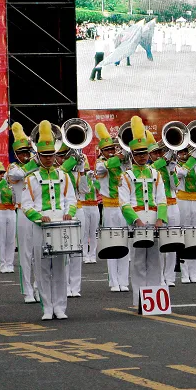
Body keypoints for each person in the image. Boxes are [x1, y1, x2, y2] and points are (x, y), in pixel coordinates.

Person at [21, 121, 77, 321]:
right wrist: (38, 217)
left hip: (60, 224)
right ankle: (47, 307)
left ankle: (60, 307)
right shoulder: (31, 178)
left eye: (51, 155)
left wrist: (69, 213)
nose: (48, 159)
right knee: (43, 268)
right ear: (38, 156)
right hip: (41, 226)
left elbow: (72, 199)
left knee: (60, 267)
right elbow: (26, 204)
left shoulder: (64, 176)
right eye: (44, 156)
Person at [119, 121, 167, 307]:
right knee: (138, 262)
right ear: (132, 154)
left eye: (144, 153)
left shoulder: (156, 174)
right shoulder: (127, 176)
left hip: (155, 222)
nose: (141, 157)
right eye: (138, 154)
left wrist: (161, 218)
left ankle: (153, 301)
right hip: (137, 222)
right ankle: (140, 300)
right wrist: (136, 221)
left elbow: (161, 199)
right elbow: (124, 203)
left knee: (156, 261)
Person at [7, 123, 40, 304]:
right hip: (22, 212)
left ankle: (37, 287)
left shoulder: (37, 164)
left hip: (38, 212)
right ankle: (27, 290)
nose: (25, 155)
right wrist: (34, 162)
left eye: (27, 152)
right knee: (26, 254)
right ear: (16, 154)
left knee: (39, 252)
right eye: (22, 153)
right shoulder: (13, 168)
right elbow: (19, 175)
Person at [95, 123, 130, 292]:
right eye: (107, 150)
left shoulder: (121, 163)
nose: (111, 152)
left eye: (112, 149)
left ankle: (123, 280)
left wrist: (126, 157)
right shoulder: (100, 163)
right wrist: (118, 158)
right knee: (111, 244)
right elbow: (102, 170)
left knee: (124, 243)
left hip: (124, 207)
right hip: (109, 208)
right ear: (102, 151)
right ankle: (113, 280)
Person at [150, 138, 183, 285]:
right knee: (159, 245)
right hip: (159, 208)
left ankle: (170, 277)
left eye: (160, 152)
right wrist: (163, 161)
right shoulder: (151, 169)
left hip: (173, 206)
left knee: (172, 243)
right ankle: (159, 277)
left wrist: (171, 171)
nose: (158, 155)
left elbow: (175, 186)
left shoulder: (169, 166)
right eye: (154, 153)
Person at [55, 143, 84, 298]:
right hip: (65, 213)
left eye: (65, 155)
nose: (62, 158)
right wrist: (72, 160)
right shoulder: (57, 172)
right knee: (65, 248)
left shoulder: (73, 171)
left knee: (77, 250)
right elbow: (62, 170)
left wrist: (82, 170)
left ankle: (75, 286)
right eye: (60, 156)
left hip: (79, 209)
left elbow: (85, 189)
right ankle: (64, 285)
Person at [175, 148, 196, 283]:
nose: (184, 154)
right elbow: (181, 174)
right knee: (184, 235)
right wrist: (193, 160)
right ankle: (184, 272)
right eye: (181, 152)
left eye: (186, 152)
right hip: (182, 200)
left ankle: (194, 271)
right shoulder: (175, 166)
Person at [0, 157, 16, 274]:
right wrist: (1, 184)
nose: (2, 175)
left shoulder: (12, 185)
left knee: (11, 240)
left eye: (3, 174)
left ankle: (10, 264)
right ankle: (2, 264)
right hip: (0, 213)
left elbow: (16, 199)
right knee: (1, 240)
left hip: (11, 212)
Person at [79, 155, 100, 264]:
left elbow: (100, 190)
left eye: (88, 169)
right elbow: (84, 190)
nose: (87, 171)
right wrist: (85, 177)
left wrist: (95, 179)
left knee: (93, 232)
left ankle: (92, 255)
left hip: (95, 207)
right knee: (85, 232)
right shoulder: (81, 178)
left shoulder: (93, 178)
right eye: (85, 169)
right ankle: (84, 255)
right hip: (84, 206)